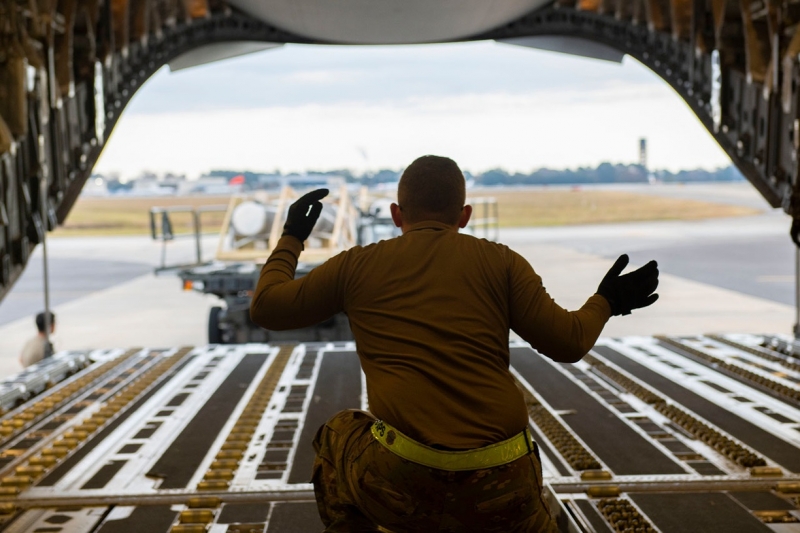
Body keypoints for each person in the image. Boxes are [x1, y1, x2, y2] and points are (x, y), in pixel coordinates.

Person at [250, 155, 658, 532]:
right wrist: (607, 302)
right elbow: (569, 343)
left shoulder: (356, 265)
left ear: (396, 215)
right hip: (503, 478)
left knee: (338, 432)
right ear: (464, 215)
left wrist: (292, 237)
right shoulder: (503, 262)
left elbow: (266, 307)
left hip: (403, 479)